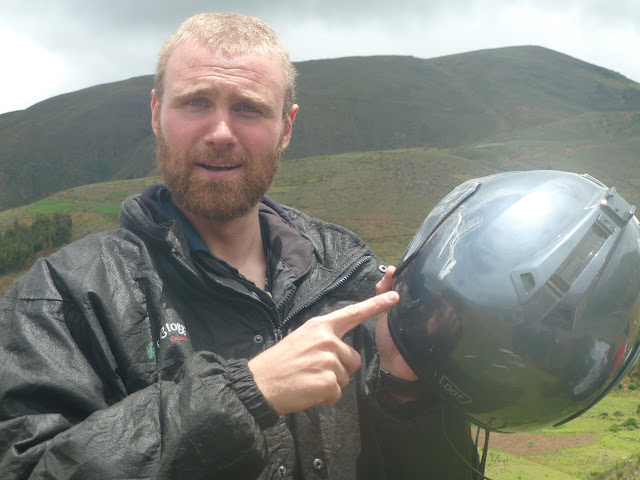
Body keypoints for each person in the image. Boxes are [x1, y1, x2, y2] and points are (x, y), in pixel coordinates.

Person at [0, 12, 478, 479]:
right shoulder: (64, 297)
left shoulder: (352, 279)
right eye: (196, 102)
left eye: (249, 108)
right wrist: (245, 395)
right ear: (156, 114)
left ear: (286, 127)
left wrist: (403, 394)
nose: (221, 134)